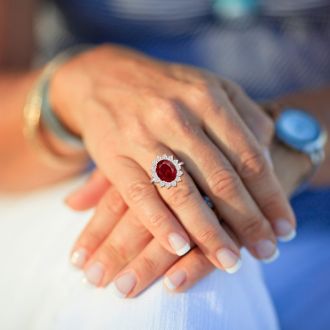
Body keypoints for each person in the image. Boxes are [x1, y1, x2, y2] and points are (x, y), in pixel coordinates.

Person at [0, 0, 329, 329]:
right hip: (88, 179)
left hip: (314, 200)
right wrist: (74, 89)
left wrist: (280, 139)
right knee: (171, 288)